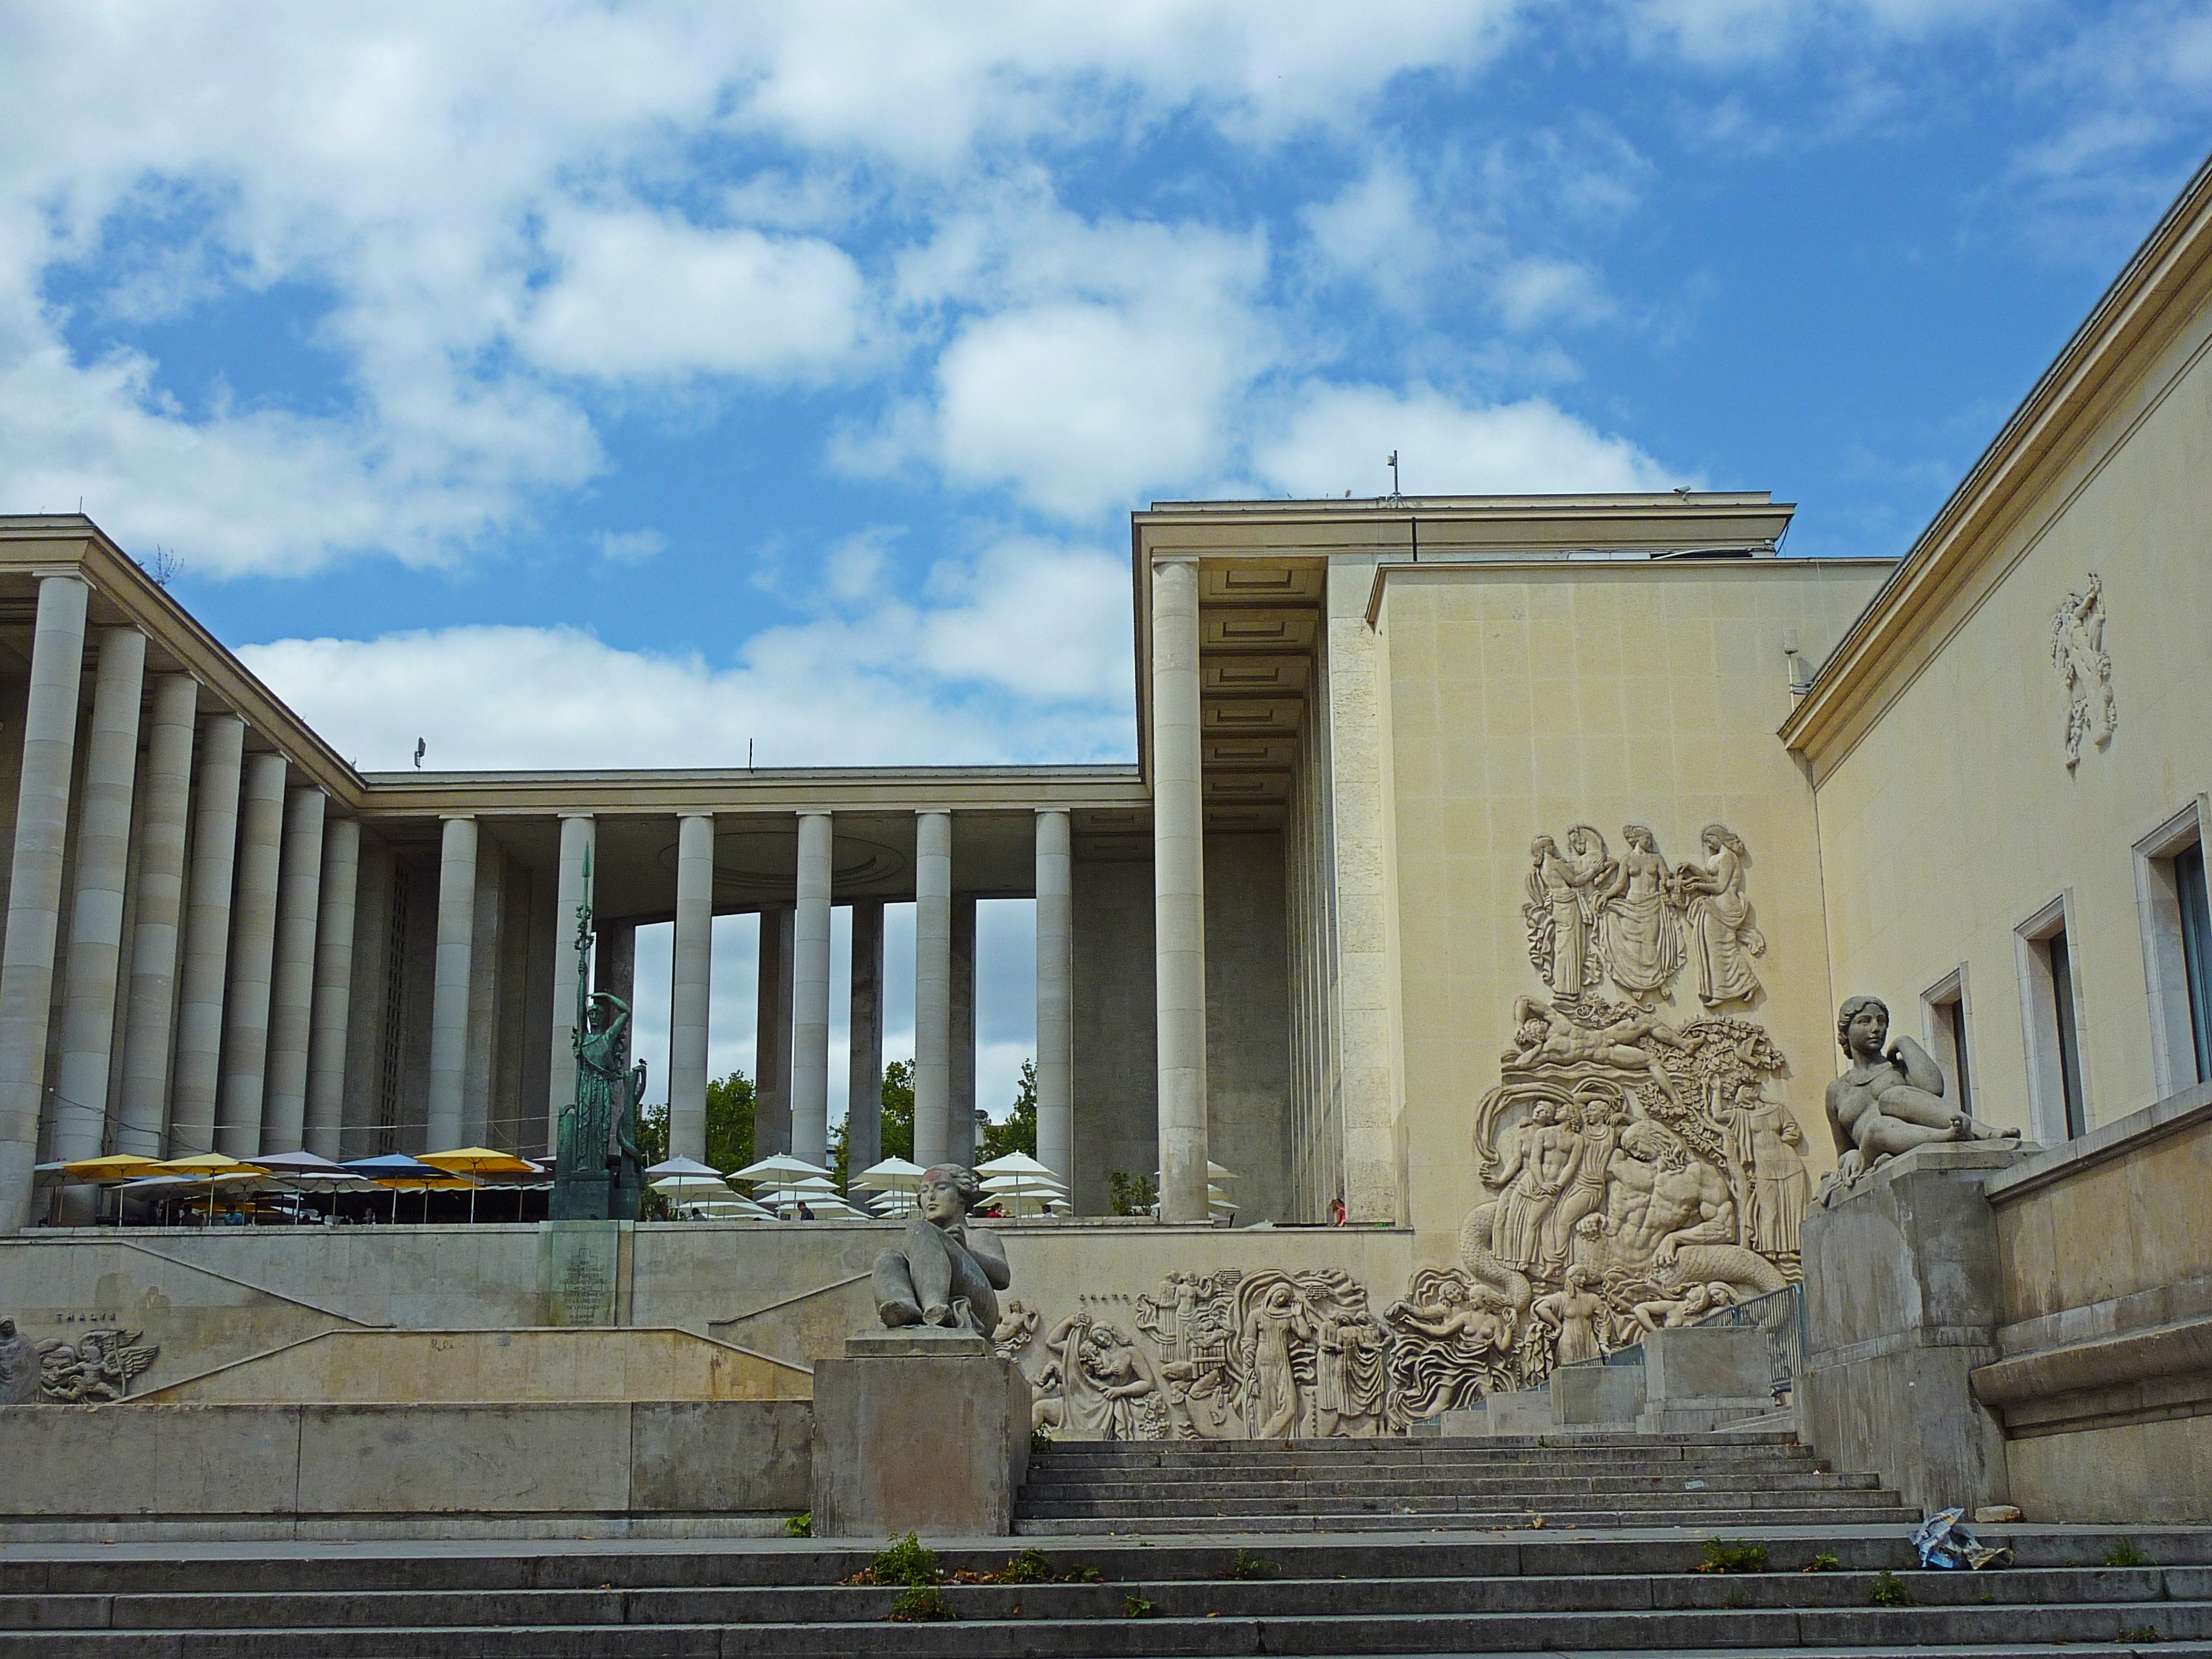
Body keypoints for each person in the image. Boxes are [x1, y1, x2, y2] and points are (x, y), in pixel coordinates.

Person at [1824, 997, 2017, 1188]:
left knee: (1892, 1096)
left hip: (1913, 1139)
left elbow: (1934, 1089)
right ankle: (1949, 1136)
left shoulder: (1898, 1070)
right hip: (1871, 1150)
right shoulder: (1837, 1090)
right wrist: (1849, 1156)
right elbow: (1843, 1152)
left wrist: (1903, 1042)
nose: (1876, 1028)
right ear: (1845, 1032)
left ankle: (1986, 1132)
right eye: (1864, 1021)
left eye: (1881, 1021)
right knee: (1878, 1126)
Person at [869, 1163, 1010, 1333]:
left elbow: (1003, 1278)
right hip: (922, 1298)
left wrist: (967, 1251)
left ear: (963, 1196)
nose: (931, 1197)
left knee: (919, 1228)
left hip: (979, 1307)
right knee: (886, 1256)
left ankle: (935, 1306)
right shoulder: (922, 1238)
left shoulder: (981, 1236)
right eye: (925, 1191)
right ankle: (905, 1306)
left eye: (941, 1188)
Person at [1678, 824, 1765, 1007]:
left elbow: (1719, 887)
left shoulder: (1728, 857)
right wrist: (1693, 869)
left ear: (1718, 836)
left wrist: (1696, 886)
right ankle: (1737, 986)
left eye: (1709, 838)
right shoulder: (1719, 857)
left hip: (1725, 905)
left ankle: (1731, 989)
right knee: (1715, 947)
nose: (1708, 843)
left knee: (1721, 948)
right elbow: (1712, 880)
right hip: (1716, 904)